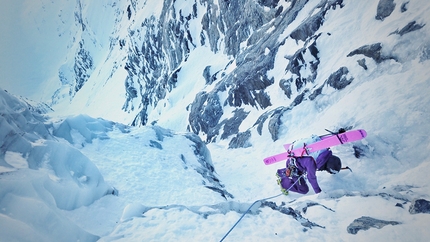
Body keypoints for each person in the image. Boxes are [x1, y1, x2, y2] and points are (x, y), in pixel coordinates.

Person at [276, 148, 342, 195]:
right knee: (304, 190)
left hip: (293, 160)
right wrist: (318, 192)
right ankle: (283, 183)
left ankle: (280, 172)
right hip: (294, 168)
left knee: (297, 169)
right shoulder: (312, 164)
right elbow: (311, 178)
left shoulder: (323, 150)